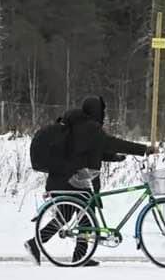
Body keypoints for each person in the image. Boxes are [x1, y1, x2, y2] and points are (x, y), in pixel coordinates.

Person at [24, 95, 156, 267]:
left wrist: (113, 157)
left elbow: (89, 151)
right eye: (102, 111)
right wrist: (143, 149)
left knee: (68, 216)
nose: (104, 115)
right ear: (97, 111)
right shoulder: (90, 128)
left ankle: (38, 244)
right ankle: (78, 256)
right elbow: (112, 142)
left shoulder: (79, 127)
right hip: (76, 181)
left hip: (65, 178)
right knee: (86, 216)